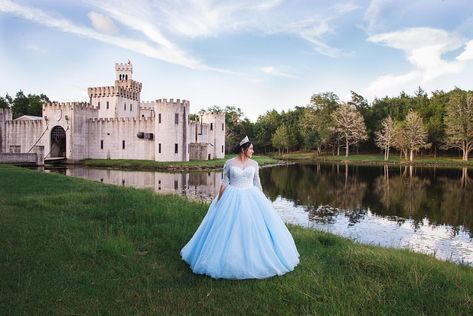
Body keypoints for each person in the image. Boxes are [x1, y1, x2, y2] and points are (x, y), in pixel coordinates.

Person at [180, 136, 299, 279]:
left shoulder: (254, 164)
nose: (253, 151)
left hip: (251, 196)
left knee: (252, 227)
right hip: (232, 195)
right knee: (226, 227)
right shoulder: (229, 163)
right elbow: (224, 183)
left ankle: (254, 257)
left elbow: (258, 183)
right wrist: (219, 201)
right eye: (251, 148)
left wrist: (263, 200)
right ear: (244, 149)